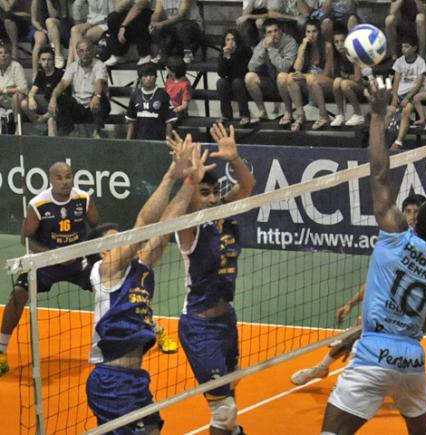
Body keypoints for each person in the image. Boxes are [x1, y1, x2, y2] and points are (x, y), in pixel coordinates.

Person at [320, 80, 426, 434]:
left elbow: (379, 175)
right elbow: (421, 326)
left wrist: (378, 116)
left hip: (372, 357)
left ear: (415, 220)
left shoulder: (395, 238)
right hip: (411, 360)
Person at [86, 134, 215, 432]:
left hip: (135, 379)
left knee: (153, 429)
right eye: (116, 241)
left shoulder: (140, 269)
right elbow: (143, 225)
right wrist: (170, 176)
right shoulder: (104, 271)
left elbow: (165, 227)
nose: (125, 242)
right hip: (110, 380)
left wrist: (190, 182)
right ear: (103, 252)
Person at [292, 195, 426, 405]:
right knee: (358, 330)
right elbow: (378, 281)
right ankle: (321, 368)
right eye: (408, 212)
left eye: (416, 212)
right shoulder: (399, 239)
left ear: (423, 218)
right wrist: (351, 304)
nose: (411, 216)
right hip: (398, 302)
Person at [176, 123, 255, 435]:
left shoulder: (225, 214)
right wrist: (190, 178)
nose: (211, 199)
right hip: (200, 327)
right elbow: (186, 206)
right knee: (223, 410)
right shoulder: (190, 229)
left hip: (226, 320)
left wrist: (234, 159)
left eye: (214, 193)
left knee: (230, 391)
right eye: (204, 193)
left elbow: (247, 187)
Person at [0, 162, 100, 376]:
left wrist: (88, 253)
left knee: (115, 286)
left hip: (78, 262)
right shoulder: (39, 204)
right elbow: (26, 239)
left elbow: (97, 229)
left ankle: (151, 330)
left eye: (68, 176)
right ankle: (1, 350)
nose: (65, 182)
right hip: (46, 262)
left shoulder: (84, 199)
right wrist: (52, 255)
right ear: (51, 180)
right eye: (59, 177)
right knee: (18, 293)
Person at [277, 19, 334, 131]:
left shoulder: (327, 46)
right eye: (308, 32)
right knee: (290, 77)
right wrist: (303, 47)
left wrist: (305, 77)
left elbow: (327, 73)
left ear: (319, 32)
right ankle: (300, 115)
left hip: (326, 82)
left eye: (314, 31)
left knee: (311, 78)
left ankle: (323, 115)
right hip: (309, 82)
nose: (311, 35)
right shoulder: (303, 46)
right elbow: (297, 69)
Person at [49, 38, 111, 137]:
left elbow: (99, 82)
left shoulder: (99, 65)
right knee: (60, 98)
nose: (85, 54)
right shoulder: (73, 67)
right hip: (78, 107)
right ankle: (69, 132)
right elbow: (63, 84)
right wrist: (53, 98)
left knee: (101, 98)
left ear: (92, 51)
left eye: (87, 50)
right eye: (81, 51)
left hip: (94, 107)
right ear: (77, 53)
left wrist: (97, 96)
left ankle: (97, 133)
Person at [245, 18, 297, 124]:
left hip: (289, 84)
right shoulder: (263, 43)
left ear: (281, 31)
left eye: (276, 30)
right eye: (269, 32)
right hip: (270, 81)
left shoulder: (290, 42)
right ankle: (262, 112)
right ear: (265, 35)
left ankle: (288, 112)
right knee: (249, 77)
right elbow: (251, 66)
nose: (273, 34)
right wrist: (264, 51)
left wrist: (271, 49)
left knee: (282, 76)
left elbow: (284, 67)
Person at [387, 35, 426, 150]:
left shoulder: (420, 62)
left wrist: (408, 97)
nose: (403, 49)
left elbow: (418, 84)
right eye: (402, 47)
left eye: (406, 47)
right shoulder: (399, 61)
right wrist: (395, 96)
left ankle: (398, 142)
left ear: (414, 48)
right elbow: (396, 80)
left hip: (412, 94)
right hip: (399, 93)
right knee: (389, 112)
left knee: (406, 111)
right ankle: (380, 140)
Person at [126, 62, 177, 140]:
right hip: (139, 140)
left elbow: (169, 121)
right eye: (145, 76)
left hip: (158, 140)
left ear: (156, 77)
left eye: (151, 75)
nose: (148, 78)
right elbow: (131, 121)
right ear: (140, 78)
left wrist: (168, 142)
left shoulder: (163, 95)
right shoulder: (135, 95)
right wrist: (128, 141)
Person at [21, 46, 63, 136]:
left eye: (49, 59)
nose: (46, 62)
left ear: (53, 60)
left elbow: (63, 97)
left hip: (57, 105)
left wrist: (44, 116)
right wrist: (31, 98)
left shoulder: (60, 73)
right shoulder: (40, 74)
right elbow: (32, 91)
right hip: (44, 103)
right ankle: (39, 124)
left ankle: (42, 121)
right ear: (39, 61)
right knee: (24, 103)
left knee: (56, 111)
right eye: (43, 60)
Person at [329, 26, 365, 127]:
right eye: (336, 42)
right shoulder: (336, 56)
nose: (339, 44)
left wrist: (346, 76)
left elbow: (358, 78)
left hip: (365, 85)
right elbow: (335, 75)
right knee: (337, 81)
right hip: (349, 83)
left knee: (344, 84)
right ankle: (340, 114)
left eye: (342, 41)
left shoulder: (354, 53)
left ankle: (358, 114)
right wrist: (346, 77)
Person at [149, 0, 204, 64]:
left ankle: (188, 53)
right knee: (156, 29)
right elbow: (156, 13)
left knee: (181, 26)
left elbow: (181, 15)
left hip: (192, 25)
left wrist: (162, 24)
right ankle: (162, 54)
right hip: (173, 25)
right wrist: (153, 23)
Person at [217, 29, 252, 126]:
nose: (230, 42)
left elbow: (241, 72)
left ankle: (244, 115)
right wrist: (225, 58)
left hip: (244, 80)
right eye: (227, 40)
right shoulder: (223, 52)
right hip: (230, 80)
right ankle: (226, 114)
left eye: (233, 39)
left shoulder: (245, 50)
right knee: (221, 82)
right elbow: (221, 73)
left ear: (237, 41)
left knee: (237, 82)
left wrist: (232, 57)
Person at [103, 0, 154, 67]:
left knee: (140, 15)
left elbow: (140, 5)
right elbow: (117, 8)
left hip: (145, 14)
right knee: (113, 17)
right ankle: (118, 54)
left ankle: (145, 54)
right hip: (129, 16)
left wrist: (123, 25)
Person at [68, 0, 116, 66]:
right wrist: (78, 21)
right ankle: (78, 63)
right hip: (91, 22)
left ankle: (72, 65)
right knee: (74, 30)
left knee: (74, 39)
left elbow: (112, 13)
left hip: (105, 23)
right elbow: (76, 5)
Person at [0, 41, 27, 134]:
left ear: (10, 55)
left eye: (6, 53)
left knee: (16, 97)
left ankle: (17, 126)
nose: (3, 55)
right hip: (2, 100)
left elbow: (23, 88)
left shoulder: (16, 66)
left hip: (14, 98)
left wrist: (5, 90)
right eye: (0, 53)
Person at [164, 56, 191, 123]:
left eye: (167, 67)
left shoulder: (185, 84)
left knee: (169, 119)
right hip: (168, 107)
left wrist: (174, 110)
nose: (165, 68)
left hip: (178, 111)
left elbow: (184, 105)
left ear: (173, 71)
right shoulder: (169, 80)